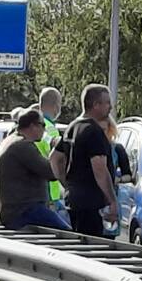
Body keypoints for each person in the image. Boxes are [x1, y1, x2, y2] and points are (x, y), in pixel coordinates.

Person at [51, 84, 117, 237]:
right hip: (91, 203)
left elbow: (54, 158)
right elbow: (100, 169)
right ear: (95, 105)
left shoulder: (73, 126)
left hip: (73, 199)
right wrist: (112, 201)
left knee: (79, 243)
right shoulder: (94, 132)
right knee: (92, 248)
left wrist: (66, 183)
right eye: (107, 102)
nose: (111, 107)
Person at [0, 109, 70, 231]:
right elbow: (51, 172)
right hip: (25, 210)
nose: (44, 130)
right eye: (42, 125)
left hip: (13, 210)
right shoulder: (23, 146)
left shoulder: (9, 141)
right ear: (33, 126)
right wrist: (58, 154)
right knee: (67, 234)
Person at [96, 115, 132, 238]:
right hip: (91, 197)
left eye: (105, 130)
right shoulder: (89, 147)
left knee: (109, 235)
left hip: (110, 197)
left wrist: (118, 179)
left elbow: (129, 175)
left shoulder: (117, 149)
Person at [36, 87, 67, 222]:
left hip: (37, 188)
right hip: (49, 191)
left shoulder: (35, 124)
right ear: (56, 105)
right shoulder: (50, 128)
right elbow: (58, 157)